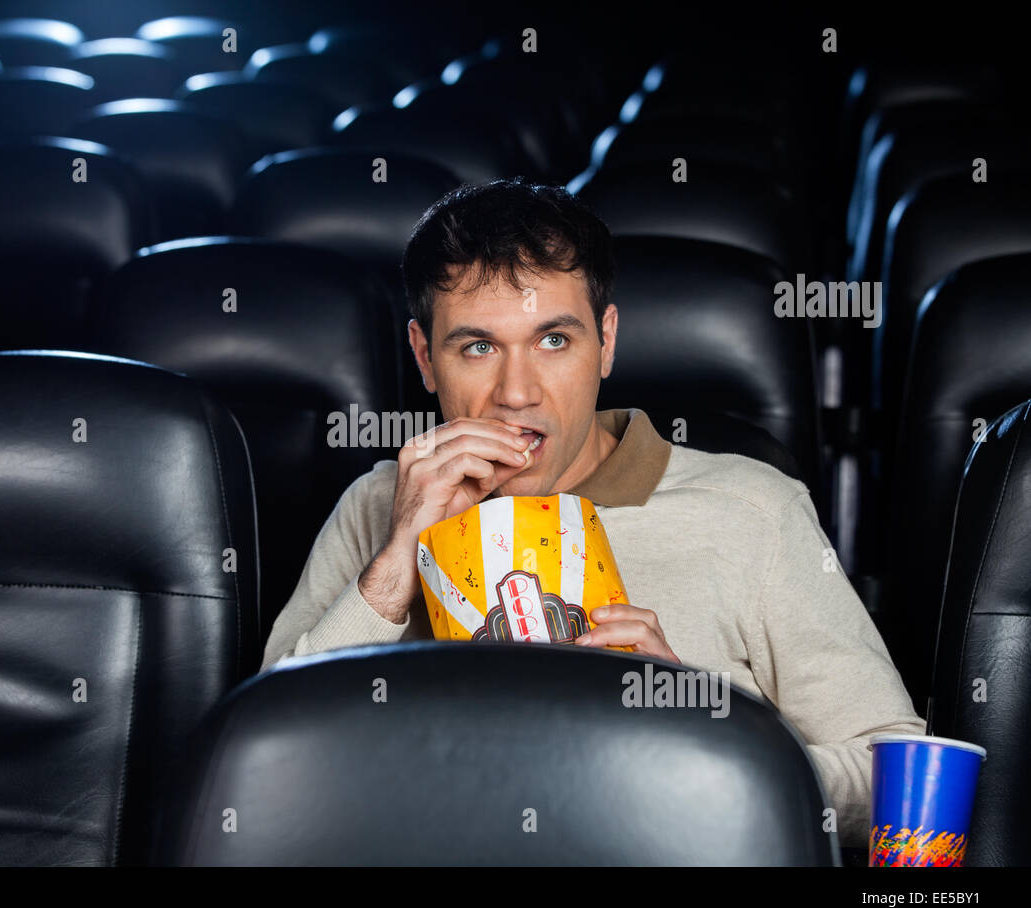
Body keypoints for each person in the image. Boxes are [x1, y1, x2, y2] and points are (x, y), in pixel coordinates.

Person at [260, 177, 924, 847]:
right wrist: (398, 557)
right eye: (478, 347)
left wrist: (707, 730)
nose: (515, 394)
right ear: (425, 358)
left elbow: (900, 774)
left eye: (554, 341)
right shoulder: (379, 506)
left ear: (605, 341)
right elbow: (264, 774)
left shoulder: (755, 510)